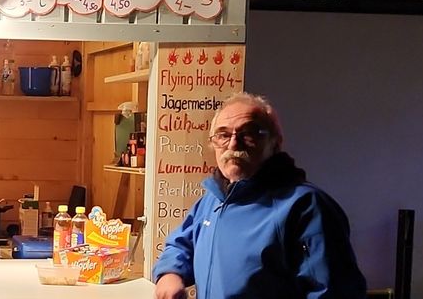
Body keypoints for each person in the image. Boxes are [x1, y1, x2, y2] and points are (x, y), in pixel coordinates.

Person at [153, 92, 366, 299]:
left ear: (275, 142)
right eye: (223, 135)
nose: (233, 144)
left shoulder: (305, 207)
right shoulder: (213, 200)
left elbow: (333, 291)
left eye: (249, 133)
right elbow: (180, 245)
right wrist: (170, 274)